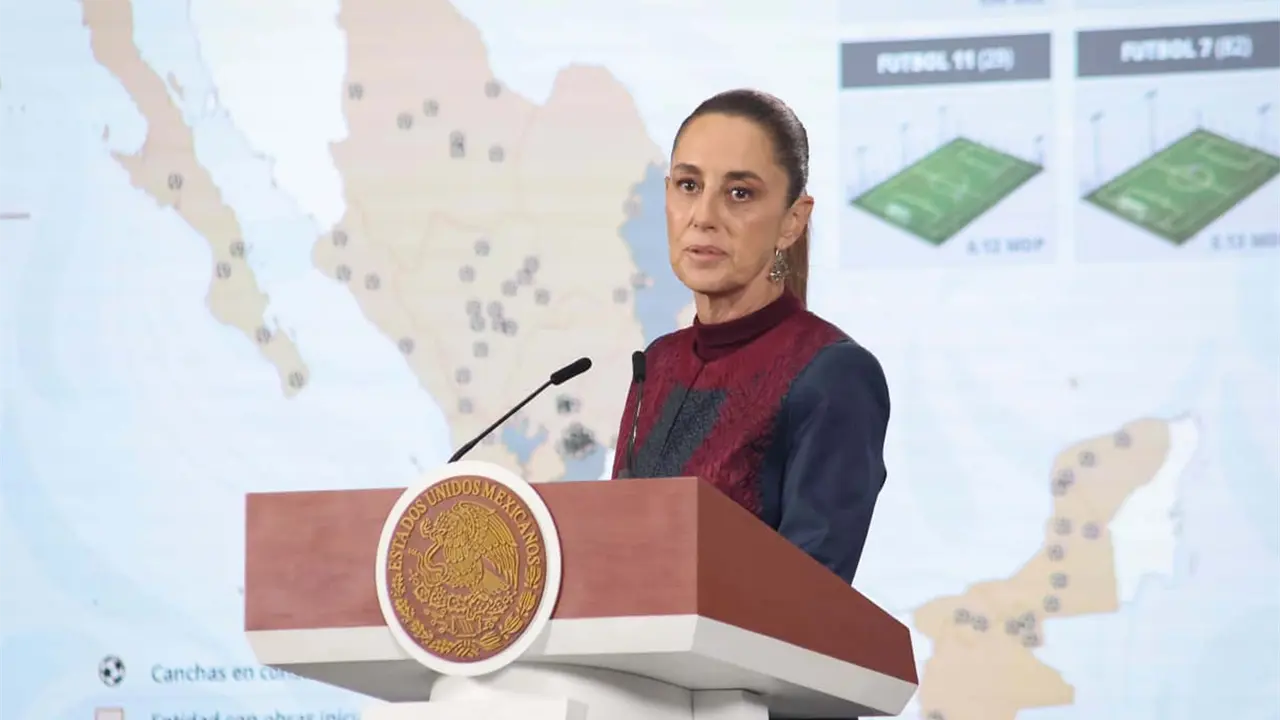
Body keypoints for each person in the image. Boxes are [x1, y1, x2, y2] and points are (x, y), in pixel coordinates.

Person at [611, 88, 891, 587]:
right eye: (689, 185)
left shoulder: (832, 374)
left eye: (739, 193)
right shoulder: (657, 364)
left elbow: (812, 595)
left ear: (792, 221)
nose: (703, 216)